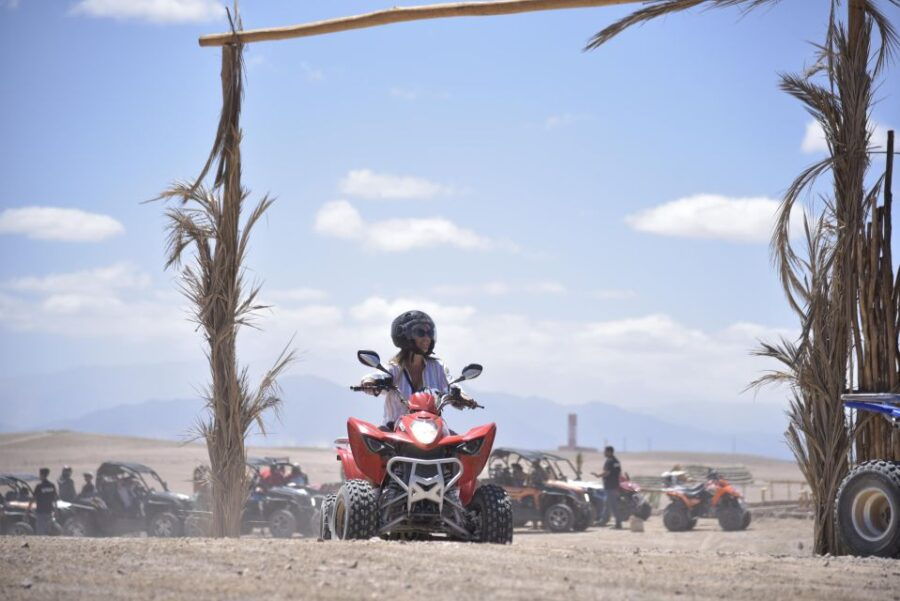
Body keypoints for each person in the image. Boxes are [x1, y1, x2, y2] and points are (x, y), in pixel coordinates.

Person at [361, 310, 476, 428]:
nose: (427, 338)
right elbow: (379, 375)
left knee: (461, 444)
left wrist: (463, 397)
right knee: (372, 439)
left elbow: (451, 384)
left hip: (431, 429)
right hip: (395, 432)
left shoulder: (437, 367)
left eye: (430, 333)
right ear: (404, 335)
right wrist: (370, 382)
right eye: (420, 332)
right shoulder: (393, 368)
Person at [593, 446, 623, 529]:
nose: (604, 453)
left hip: (610, 486)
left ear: (609, 452)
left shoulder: (609, 461)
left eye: (605, 451)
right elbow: (619, 473)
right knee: (607, 504)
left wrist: (598, 475)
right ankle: (603, 521)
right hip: (614, 485)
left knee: (613, 505)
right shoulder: (616, 461)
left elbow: (607, 472)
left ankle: (618, 523)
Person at [30, 467, 57, 535]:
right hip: (49, 510)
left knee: (40, 530)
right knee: (48, 529)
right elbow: (55, 498)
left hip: (41, 511)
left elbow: (33, 498)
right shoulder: (52, 485)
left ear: (42, 475)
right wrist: (56, 509)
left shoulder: (39, 486)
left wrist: (27, 509)